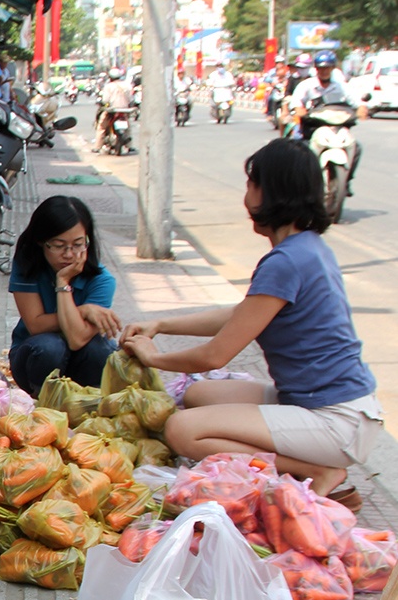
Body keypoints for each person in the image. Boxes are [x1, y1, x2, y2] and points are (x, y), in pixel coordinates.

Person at [120, 139, 380, 509]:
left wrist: (154, 357)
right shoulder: (307, 247)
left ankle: (318, 472)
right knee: (196, 396)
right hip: (318, 404)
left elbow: (216, 355)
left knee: (181, 430)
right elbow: (241, 317)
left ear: (271, 191)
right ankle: (314, 464)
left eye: (251, 183)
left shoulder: (286, 261)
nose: (246, 193)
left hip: (335, 420)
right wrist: (160, 323)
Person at [7, 196, 120, 396]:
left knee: (100, 349)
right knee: (50, 346)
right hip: (34, 359)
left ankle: (87, 400)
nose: (69, 254)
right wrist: (81, 308)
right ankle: (39, 399)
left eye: (78, 245)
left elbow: (77, 339)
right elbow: (35, 324)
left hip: (81, 366)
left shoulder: (102, 281)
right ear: (41, 242)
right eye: (59, 245)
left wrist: (63, 285)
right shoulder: (27, 265)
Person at [288, 49, 365, 193]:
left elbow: (356, 101)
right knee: (299, 150)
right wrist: (300, 110)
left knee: (357, 147)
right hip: (313, 128)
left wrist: (361, 109)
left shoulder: (341, 86)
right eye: (321, 68)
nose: (324, 71)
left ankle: (346, 180)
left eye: (327, 68)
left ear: (332, 68)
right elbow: (296, 103)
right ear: (316, 69)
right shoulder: (306, 85)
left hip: (337, 127)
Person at [93, 68, 133, 152]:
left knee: (101, 127)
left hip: (112, 110)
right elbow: (131, 99)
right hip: (124, 110)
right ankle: (130, 146)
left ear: (110, 77)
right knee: (128, 127)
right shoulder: (127, 85)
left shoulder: (108, 86)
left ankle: (97, 147)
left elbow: (105, 100)